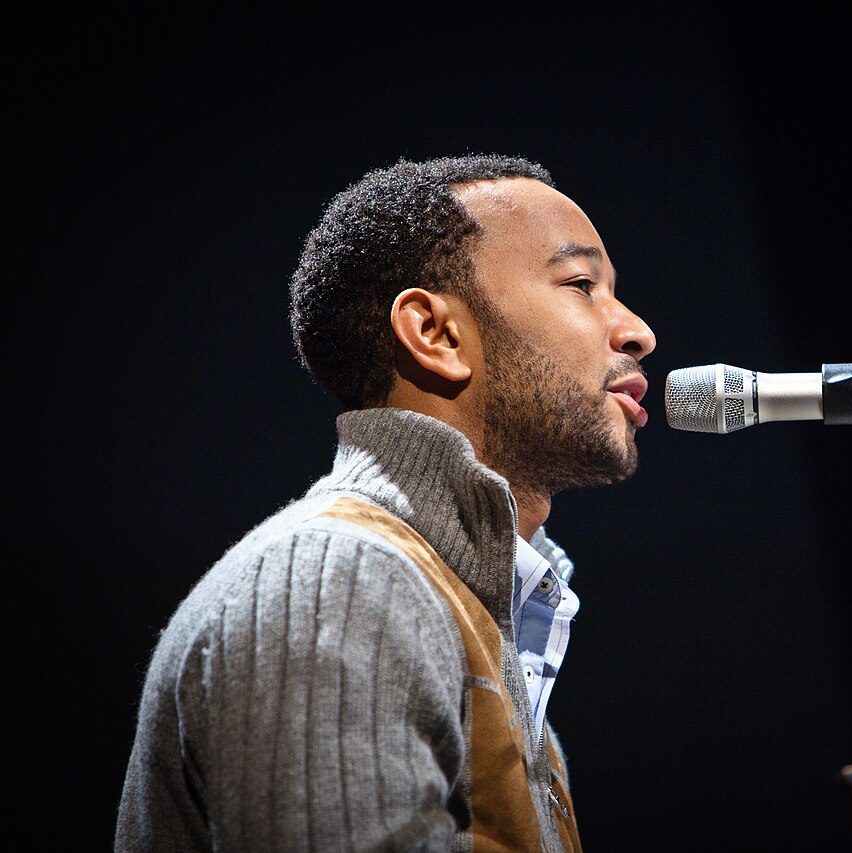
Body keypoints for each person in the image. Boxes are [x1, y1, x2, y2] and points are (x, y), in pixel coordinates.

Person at [115, 154, 656, 852]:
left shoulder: (464, 612)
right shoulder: (337, 579)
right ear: (434, 333)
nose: (637, 330)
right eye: (581, 284)